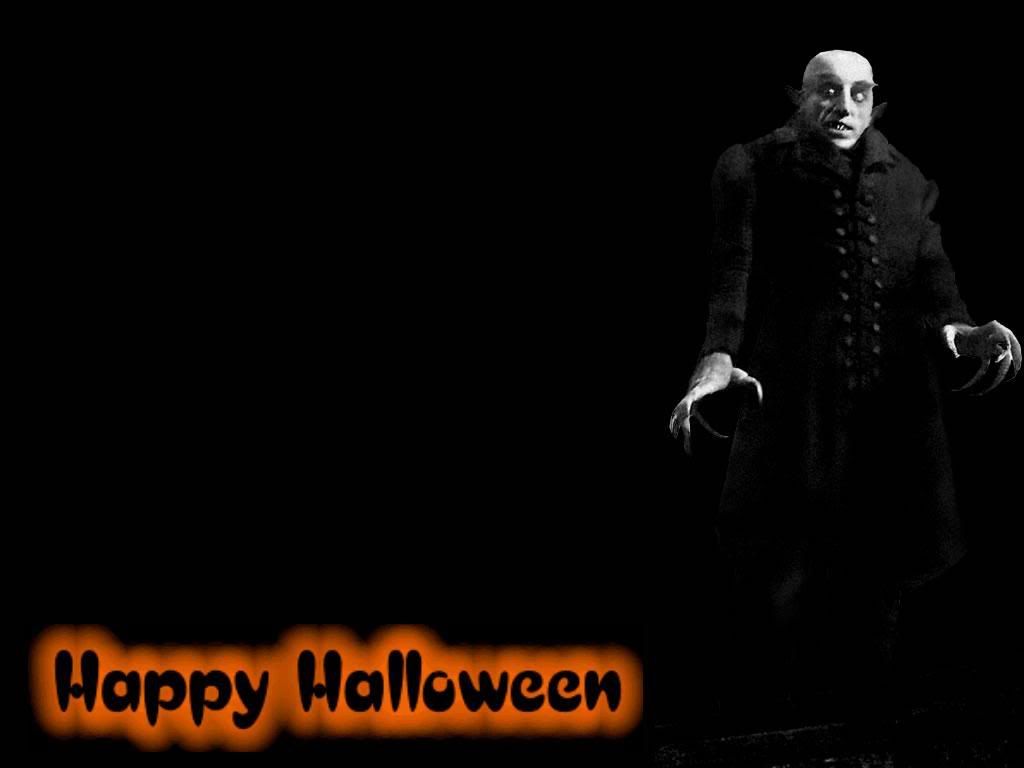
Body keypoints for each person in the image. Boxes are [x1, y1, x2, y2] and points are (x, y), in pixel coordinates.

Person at [668, 50, 1020, 723]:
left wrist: (963, 329)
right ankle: (773, 717)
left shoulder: (907, 179)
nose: (843, 106)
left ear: (875, 102)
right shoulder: (752, 166)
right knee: (782, 561)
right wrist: (716, 356)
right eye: (827, 91)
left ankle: (865, 716)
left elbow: (933, 279)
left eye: (859, 93)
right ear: (799, 98)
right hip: (793, 400)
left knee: (883, 559)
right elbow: (732, 271)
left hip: (892, 403)